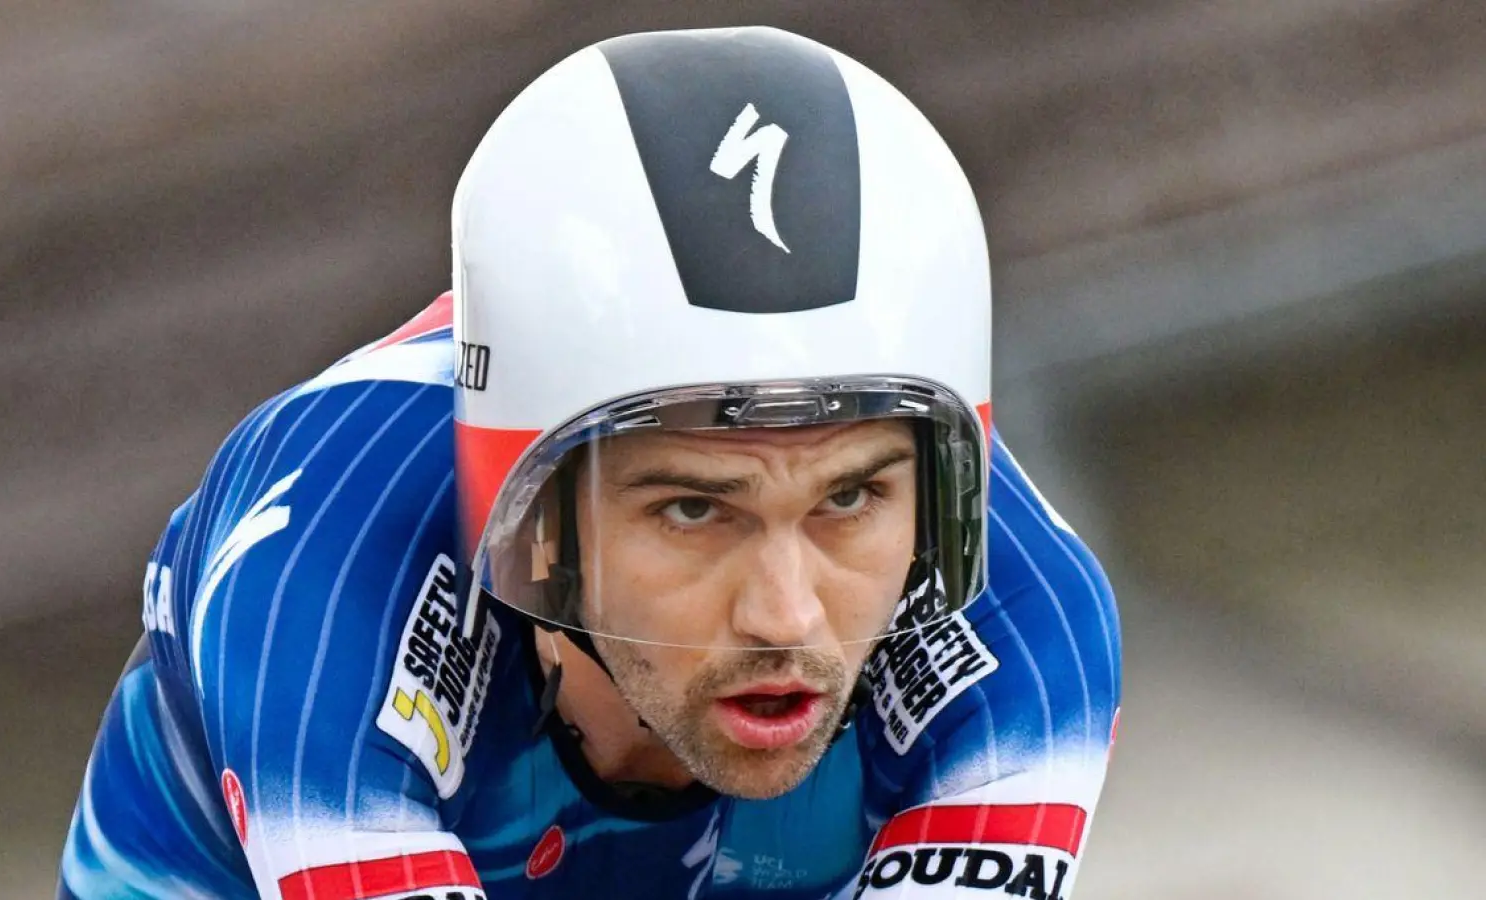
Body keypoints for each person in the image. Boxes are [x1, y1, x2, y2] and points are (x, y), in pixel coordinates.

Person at [58, 25, 1121, 900]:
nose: (787, 615)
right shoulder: (327, 567)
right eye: (698, 510)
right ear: (537, 509)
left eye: (850, 496)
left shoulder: (1031, 632)